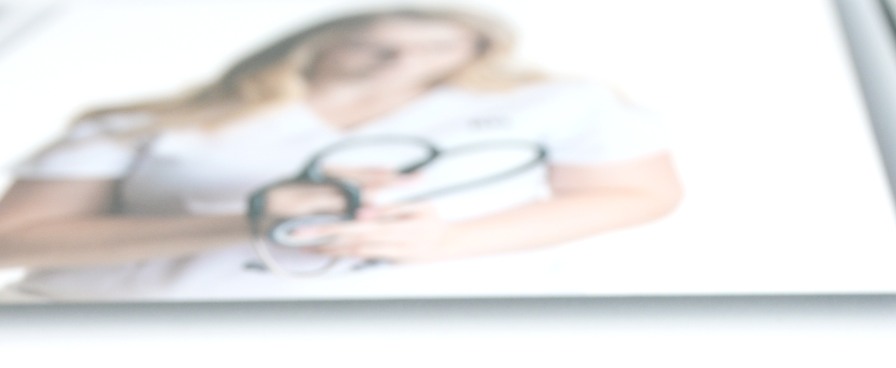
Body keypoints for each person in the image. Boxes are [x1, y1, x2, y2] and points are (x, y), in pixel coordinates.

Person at [0, 6, 683, 300]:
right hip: (115, 352)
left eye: (438, 45)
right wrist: (248, 221)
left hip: (430, 359)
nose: (401, 63)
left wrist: (447, 241)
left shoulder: (560, 102)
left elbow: (642, 193)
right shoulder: (139, 123)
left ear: (479, 49)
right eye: (375, 44)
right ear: (316, 42)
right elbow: (14, 239)